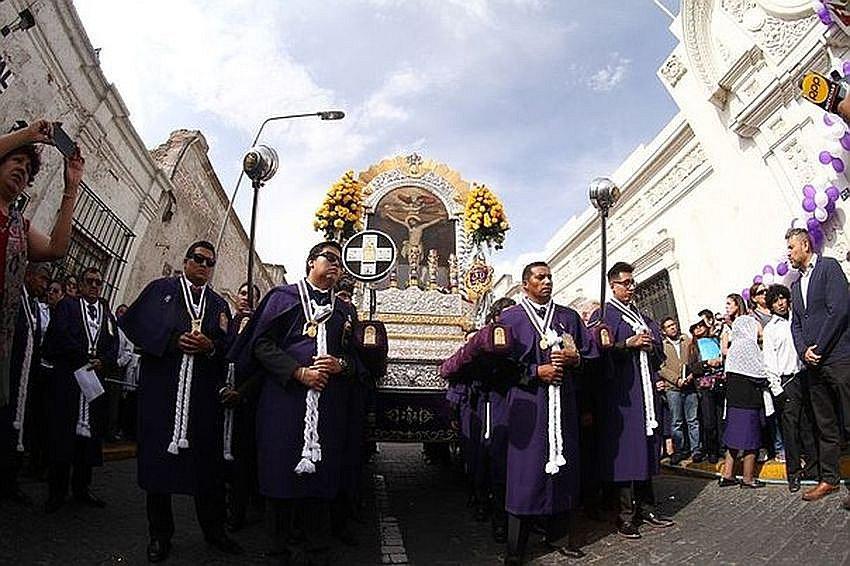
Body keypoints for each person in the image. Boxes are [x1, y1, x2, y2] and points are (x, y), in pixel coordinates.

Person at [228, 241, 362, 565]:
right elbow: (260, 344)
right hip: (284, 403)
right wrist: (297, 371)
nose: (335, 265)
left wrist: (341, 365)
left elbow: (356, 359)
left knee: (320, 478)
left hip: (327, 408)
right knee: (280, 475)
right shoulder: (282, 298)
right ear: (310, 262)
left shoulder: (344, 312)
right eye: (329, 258)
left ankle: (317, 549)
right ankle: (277, 550)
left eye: (340, 262)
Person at [120, 241, 241, 562]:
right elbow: (135, 325)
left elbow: (227, 347)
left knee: (207, 468)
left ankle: (214, 531)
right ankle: (160, 535)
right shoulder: (161, 290)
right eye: (198, 259)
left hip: (201, 400)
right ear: (186, 261)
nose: (203, 265)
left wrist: (209, 346)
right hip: (162, 393)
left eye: (209, 262)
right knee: (158, 467)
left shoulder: (217, 304)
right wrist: (173, 341)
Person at [497, 261, 592, 564]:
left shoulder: (569, 317)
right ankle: (516, 547)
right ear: (526, 284)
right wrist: (536, 371)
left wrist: (575, 359)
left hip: (563, 406)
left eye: (550, 276)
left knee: (564, 471)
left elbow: (589, 355)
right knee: (525, 474)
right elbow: (499, 368)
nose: (547, 281)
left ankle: (559, 536)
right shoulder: (510, 319)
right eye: (540, 277)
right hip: (529, 407)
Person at [0, 120, 84, 408]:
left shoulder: (19, 226)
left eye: (28, 169)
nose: (23, 169)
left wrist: (71, 187)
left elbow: (55, 248)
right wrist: (27, 136)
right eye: (16, 161)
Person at [596, 262, 673, 539]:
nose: (631, 287)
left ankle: (648, 506)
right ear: (613, 285)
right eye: (626, 282)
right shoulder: (604, 314)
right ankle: (625, 513)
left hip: (645, 393)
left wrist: (651, 344)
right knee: (628, 453)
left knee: (646, 449)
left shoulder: (641, 314)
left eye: (632, 282)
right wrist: (626, 345)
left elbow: (658, 347)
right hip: (622, 396)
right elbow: (597, 352)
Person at [42, 266, 119, 512]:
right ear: (82, 284)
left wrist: (103, 361)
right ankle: (56, 492)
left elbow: (115, 343)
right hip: (71, 381)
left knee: (88, 439)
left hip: (94, 383)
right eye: (90, 281)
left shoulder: (107, 312)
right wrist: (83, 356)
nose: (95, 286)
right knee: (64, 435)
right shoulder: (69, 306)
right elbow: (59, 334)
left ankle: (82, 488)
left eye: (99, 282)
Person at [786, 227, 850, 503]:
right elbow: (796, 324)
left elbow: (840, 309)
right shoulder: (794, 285)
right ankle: (829, 479)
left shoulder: (828, 267)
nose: (788, 253)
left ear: (805, 245)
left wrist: (820, 348)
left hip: (837, 358)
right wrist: (803, 352)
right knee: (825, 425)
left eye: (791, 248)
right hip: (813, 366)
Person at [0, 262, 50, 503]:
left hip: (25, 379)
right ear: (29, 276)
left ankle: (10, 481)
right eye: (42, 279)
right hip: (10, 377)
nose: (45, 285)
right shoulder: (14, 300)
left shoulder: (33, 305)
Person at [763, 284, 817, 493]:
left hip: (807, 376)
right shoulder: (770, 329)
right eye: (776, 300)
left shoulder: (799, 318)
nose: (781, 303)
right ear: (771, 305)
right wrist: (777, 388)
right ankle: (793, 473)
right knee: (790, 430)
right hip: (787, 381)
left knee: (809, 425)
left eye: (783, 298)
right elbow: (769, 360)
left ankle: (813, 468)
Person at [219, 282, 262, 533]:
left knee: (243, 460)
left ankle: (238, 511)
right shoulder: (226, 321)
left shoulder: (259, 326)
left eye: (251, 295)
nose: (245, 298)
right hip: (222, 398)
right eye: (243, 293)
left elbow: (261, 366)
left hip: (247, 402)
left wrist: (242, 393)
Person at [718, 294, 767, 489]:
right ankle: (747, 478)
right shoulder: (747, 345)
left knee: (733, 434)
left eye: (729, 303)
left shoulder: (734, 347)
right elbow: (759, 370)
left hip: (735, 390)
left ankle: (728, 474)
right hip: (747, 391)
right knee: (751, 435)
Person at [659, 317, 701, 464]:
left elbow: (695, 360)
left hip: (689, 387)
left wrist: (691, 375)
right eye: (669, 326)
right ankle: (681, 450)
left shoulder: (686, 341)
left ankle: (696, 450)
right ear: (664, 331)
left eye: (674, 325)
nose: (673, 328)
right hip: (673, 389)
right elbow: (661, 368)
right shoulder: (662, 346)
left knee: (693, 420)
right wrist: (676, 379)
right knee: (677, 422)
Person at [687, 319, 724, 464]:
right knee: (709, 421)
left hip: (719, 382)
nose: (699, 328)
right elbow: (692, 367)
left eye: (701, 325)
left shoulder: (715, 340)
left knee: (721, 418)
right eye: (695, 327)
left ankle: (722, 447)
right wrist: (707, 363)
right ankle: (712, 450)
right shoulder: (693, 347)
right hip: (704, 387)